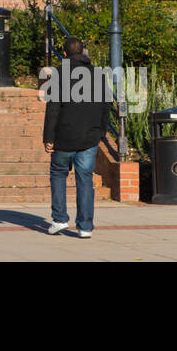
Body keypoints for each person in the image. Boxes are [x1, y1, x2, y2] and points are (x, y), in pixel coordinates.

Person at [43, 37, 111, 239]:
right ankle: (85, 226)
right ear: (84, 52)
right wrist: (101, 132)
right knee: (85, 179)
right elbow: (106, 105)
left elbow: (53, 109)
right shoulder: (98, 75)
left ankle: (60, 219)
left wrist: (48, 137)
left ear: (64, 54)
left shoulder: (59, 74)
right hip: (89, 137)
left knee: (58, 173)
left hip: (64, 136)